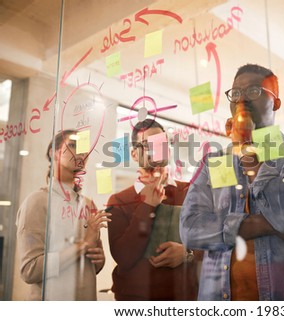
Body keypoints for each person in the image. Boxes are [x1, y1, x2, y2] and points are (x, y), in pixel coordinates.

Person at [180, 63, 284, 301]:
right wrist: (269, 226)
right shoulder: (216, 161)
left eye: (254, 91)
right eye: (235, 93)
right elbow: (190, 230)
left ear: (276, 102)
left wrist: (250, 158)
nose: (242, 100)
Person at [107, 119, 201, 300]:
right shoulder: (119, 201)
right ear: (134, 155)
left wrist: (187, 252)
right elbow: (124, 258)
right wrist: (147, 206)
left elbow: (214, 242)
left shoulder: (190, 192)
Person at [16, 129, 110, 300]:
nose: (80, 153)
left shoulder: (88, 204)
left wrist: (99, 259)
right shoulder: (37, 202)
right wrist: (82, 246)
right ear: (54, 152)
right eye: (73, 145)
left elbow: (90, 267)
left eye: (84, 148)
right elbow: (29, 270)